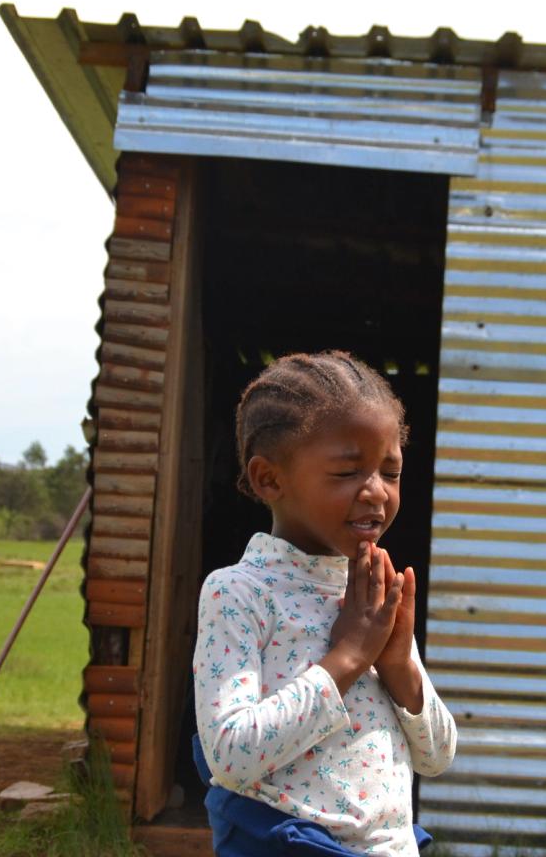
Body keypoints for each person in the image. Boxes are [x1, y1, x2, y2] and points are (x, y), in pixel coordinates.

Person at [193, 350, 456, 856]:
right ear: (271, 479)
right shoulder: (238, 594)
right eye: (347, 473)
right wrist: (349, 659)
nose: (377, 493)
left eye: (391, 471)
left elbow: (438, 757)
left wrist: (398, 663)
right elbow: (229, 754)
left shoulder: (373, 590)